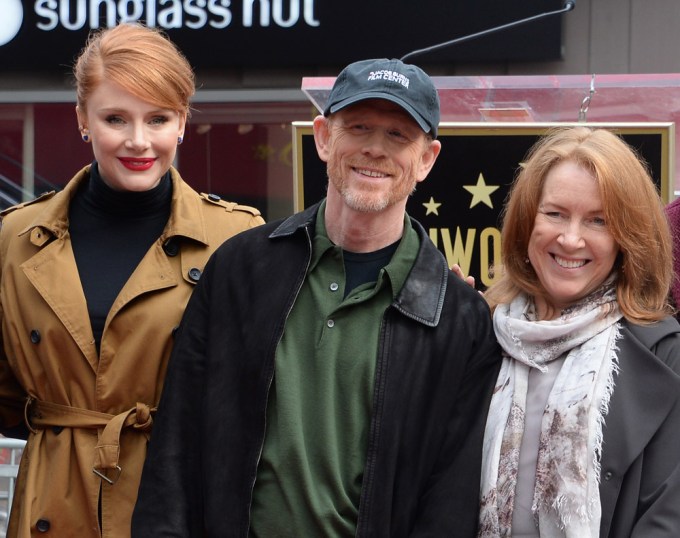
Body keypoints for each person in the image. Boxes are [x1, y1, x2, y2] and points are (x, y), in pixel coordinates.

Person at [131, 57, 502, 537]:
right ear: (324, 137)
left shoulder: (461, 320)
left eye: (397, 135)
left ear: (427, 158)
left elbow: (448, 505)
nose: (374, 149)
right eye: (359, 127)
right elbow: (178, 446)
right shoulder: (241, 269)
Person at [0, 23, 264, 538]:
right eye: (115, 118)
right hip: (52, 501)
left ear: (183, 121)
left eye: (159, 118)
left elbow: (260, 397)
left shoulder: (237, 236)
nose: (139, 141)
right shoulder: (15, 236)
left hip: (177, 501)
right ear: (83, 119)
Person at [477, 126, 680, 537]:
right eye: (554, 213)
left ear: (627, 238)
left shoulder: (664, 353)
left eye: (598, 221)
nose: (570, 239)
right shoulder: (478, 334)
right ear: (525, 221)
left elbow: (666, 518)